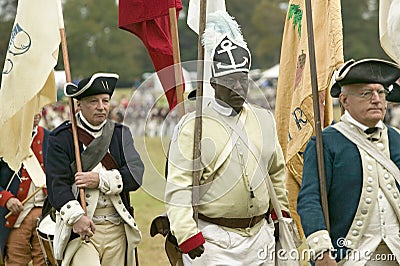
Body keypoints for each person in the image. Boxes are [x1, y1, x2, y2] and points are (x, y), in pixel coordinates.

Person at [165, 11, 290, 265]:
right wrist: (187, 234)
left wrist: (281, 216)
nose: (238, 87)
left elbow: (276, 172)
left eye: (242, 79)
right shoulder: (193, 125)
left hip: (261, 236)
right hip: (212, 240)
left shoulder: (264, 119)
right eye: (229, 80)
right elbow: (178, 187)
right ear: (213, 82)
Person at [297, 58, 400, 265]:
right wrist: (322, 252)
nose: (377, 99)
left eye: (381, 93)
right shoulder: (325, 143)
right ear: (344, 101)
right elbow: (310, 200)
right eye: (366, 93)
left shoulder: (397, 138)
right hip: (351, 256)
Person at [46, 73, 144, 266]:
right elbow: (57, 185)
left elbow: (135, 175)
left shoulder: (120, 134)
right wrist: (76, 218)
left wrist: (100, 179)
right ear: (78, 105)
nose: (101, 107)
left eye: (105, 101)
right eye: (93, 101)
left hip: (117, 228)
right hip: (82, 229)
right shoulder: (62, 138)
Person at [0, 113, 49, 265]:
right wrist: (6, 198)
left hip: (46, 214)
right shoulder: (4, 138)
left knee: (46, 261)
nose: (36, 113)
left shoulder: (51, 137)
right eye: (31, 108)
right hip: (16, 216)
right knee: (16, 260)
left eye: (38, 107)